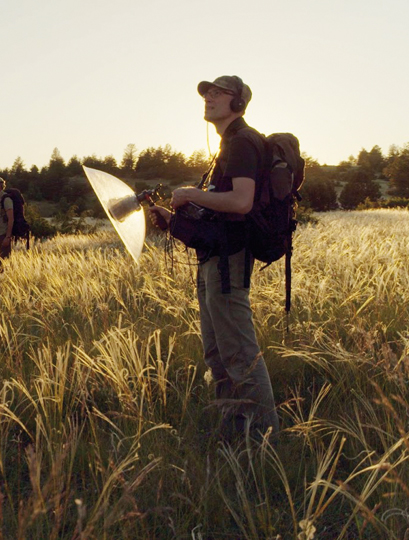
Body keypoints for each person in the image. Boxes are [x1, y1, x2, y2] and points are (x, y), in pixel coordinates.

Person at [148, 75, 280, 442]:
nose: (208, 97)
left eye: (218, 93)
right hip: (215, 258)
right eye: (206, 92)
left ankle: (263, 442)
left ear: (237, 103)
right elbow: (218, 214)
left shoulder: (241, 142)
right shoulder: (228, 145)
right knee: (217, 354)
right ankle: (233, 432)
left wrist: (191, 193)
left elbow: (241, 202)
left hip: (229, 262)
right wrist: (174, 218)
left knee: (238, 352)